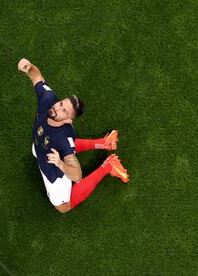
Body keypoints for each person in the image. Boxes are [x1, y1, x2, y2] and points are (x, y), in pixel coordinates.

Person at [18, 58, 129, 213]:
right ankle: (103, 143)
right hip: (40, 148)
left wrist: (60, 164)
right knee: (45, 149)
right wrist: (28, 67)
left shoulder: (63, 139)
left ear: (69, 120)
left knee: (63, 207)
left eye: (64, 111)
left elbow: (77, 176)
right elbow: (36, 76)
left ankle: (108, 166)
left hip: (54, 170)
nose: (58, 108)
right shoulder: (48, 100)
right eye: (61, 104)